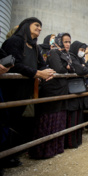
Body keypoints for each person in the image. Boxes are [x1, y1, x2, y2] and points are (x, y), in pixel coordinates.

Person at [0, 17, 54, 167]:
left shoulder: (35, 47)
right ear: (26, 25)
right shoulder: (15, 41)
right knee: (5, 122)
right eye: (37, 25)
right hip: (10, 89)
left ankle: (8, 155)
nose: (40, 28)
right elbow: (14, 65)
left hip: (26, 90)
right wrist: (37, 73)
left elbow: (41, 65)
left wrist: (47, 72)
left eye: (41, 26)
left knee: (16, 122)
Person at [29, 33, 72, 159]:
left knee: (58, 120)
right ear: (59, 42)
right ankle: (43, 151)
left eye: (69, 41)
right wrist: (67, 67)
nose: (68, 44)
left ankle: (56, 148)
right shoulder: (53, 53)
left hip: (61, 89)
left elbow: (74, 68)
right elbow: (60, 68)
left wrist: (69, 67)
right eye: (65, 41)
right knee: (49, 119)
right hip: (52, 90)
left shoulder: (66, 55)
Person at [66, 41, 88, 148]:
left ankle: (76, 141)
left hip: (79, 90)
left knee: (78, 116)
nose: (82, 52)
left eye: (83, 50)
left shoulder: (79, 59)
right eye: (81, 50)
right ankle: (70, 142)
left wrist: (84, 67)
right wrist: (84, 68)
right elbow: (81, 70)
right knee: (72, 117)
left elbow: (87, 67)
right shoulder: (71, 57)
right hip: (72, 90)